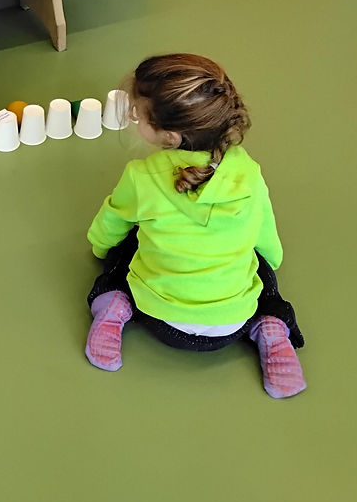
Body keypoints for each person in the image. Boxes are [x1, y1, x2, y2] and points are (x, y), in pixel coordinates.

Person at [84, 54, 306, 398]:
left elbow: (107, 227)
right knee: (257, 264)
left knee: (125, 243)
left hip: (159, 319)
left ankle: (112, 305)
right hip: (233, 323)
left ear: (170, 137)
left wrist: (100, 247)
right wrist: (268, 263)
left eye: (138, 115)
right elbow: (266, 238)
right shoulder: (249, 173)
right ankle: (272, 328)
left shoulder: (141, 178)